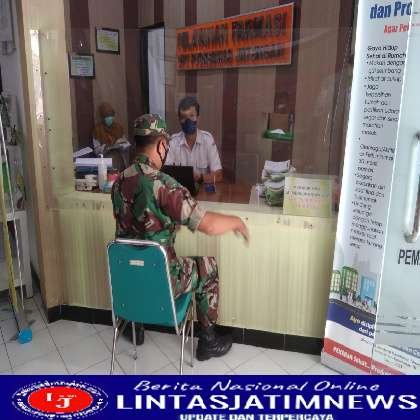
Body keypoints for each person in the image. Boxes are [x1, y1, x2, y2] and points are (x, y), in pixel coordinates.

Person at [111, 114, 249, 361]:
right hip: (163, 280)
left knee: (136, 256)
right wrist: (236, 222)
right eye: (166, 145)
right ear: (161, 145)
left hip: (128, 281)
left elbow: (132, 225)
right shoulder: (164, 185)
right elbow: (208, 225)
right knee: (207, 266)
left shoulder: (118, 182)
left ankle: (136, 326)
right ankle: (208, 341)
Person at [166, 97, 223, 184]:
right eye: (184, 117)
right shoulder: (172, 142)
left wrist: (199, 177)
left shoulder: (207, 139)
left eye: (192, 116)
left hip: (203, 191)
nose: (188, 121)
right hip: (179, 190)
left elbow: (218, 175)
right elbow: (166, 175)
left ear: (198, 118)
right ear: (179, 120)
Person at [92, 102, 130, 171]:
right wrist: (107, 147)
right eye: (107, 116)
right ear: (102, 117)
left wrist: (122, 144)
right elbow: (96, 151)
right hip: (105, 163)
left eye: (111, 116)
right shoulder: (97, 130)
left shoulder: (118, 128)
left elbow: (126, 144)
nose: (110, 118)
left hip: (119, 161)